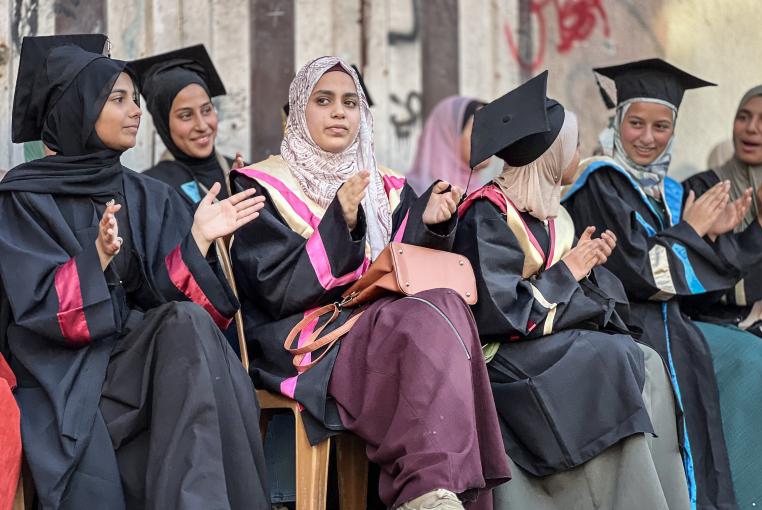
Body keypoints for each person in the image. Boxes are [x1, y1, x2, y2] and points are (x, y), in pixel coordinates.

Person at [0, 35, 269, 509]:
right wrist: (96, 259)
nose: (135, 112)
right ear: (78, 109)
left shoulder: (148, 195)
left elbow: (165, 302)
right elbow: (38, 311)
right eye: (118, 99)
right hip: (67, 374)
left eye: (135, 99)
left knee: (186, 325)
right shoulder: (24, 200)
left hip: (138, 364)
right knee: (183, 343)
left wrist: (198, 241)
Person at [231, 55, 510, 510]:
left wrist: (430, 224)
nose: (339, 113)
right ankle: (430, 488)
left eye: (350, 102)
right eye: (324, 101)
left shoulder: (387, 186)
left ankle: (438, 490)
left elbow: (398, 269)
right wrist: (340, 223)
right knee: (420, 323)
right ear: (299, 109)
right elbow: (272, 288)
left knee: (446, 305)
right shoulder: (261, 185)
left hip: (379, 325)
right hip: (305, 338)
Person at [455, 71, 688, 510]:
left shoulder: (551, 214)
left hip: (545, 340)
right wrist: (569, 271)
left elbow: (573, 290)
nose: (581, 154)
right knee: (613, 357)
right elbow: (502, 313)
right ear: (551, 155)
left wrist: (589, 265)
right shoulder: (487, 214)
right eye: (575, 146)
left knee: (648, 360)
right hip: (503, 355)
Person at [562, 59, 762, 510]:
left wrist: (729, 232)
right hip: (625, 323)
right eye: (636, 123)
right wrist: (693, 232)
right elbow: (640, 275)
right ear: (618, 121)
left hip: (670, 324)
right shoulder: (600, 182)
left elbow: (697, 284)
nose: (647, 137)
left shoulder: (668, 191)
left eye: (661, 126)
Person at [683, 84, 762, 508]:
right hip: (721, 321)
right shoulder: (706, 189)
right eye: (744, 117)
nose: (751, 129)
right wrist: (758, 226)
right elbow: (700, 284)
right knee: (755, 362)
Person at [130, 45, 241, 209]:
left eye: (206, 110)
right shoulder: (149, 190)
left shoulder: (244, 174)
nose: (202, 125)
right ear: (163, 123)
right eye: (186, 115)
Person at [406, 95, 491, 195]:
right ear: (450, 136)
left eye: (490, 128)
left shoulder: (485, 194)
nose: (489, 137)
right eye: (478, 129)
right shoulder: (407, 197)